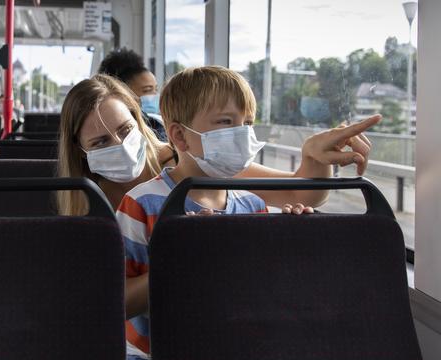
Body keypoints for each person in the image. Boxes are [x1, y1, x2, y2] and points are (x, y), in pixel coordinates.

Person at [118, 66, 381, 359]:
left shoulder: (253, 204)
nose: (242, 134)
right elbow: (118, 303)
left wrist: (287, 240)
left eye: (247, 123)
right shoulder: (142, 204)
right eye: (226, 122)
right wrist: (183, 258)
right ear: (180, 136)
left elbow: (259, 291)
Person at [57, 74, 177, 215]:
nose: (122, 146)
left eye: (126, 129)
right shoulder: (84, 196)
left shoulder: (179, 164)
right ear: (81, 151)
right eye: (101, 142)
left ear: (136, 119)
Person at [99, 48, 166, 141]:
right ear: (123, 93)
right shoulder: (102, 127)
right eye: (147, 90)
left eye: (156, 89)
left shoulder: (157, 126)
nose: (155, 95)